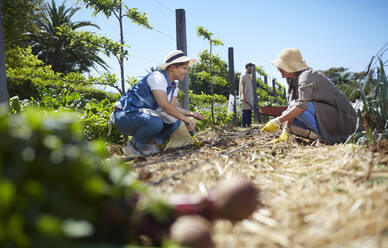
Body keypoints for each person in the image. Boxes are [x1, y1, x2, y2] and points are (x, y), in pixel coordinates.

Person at [112, 50, 204, 156]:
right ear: (172, 68)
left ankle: (150, 146)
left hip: (141, 116)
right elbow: (165, 106)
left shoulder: (173, 86)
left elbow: (172, 107)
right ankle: (132, 147)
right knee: (156, 122)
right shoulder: (157, 78)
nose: (186, 72)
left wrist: (191, 114)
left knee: (175, 120)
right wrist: (186, 119)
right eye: (184, 68)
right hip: (124, 115)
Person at [261, 48, 358, 145]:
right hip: (328, 113)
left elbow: (301, 106)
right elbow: (292, 105)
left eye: (281, 66)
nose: (278, 69)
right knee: (286, 114)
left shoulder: (306, 76)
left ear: (290, 66)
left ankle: (324, 139)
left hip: (340, 115)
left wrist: (277, 121)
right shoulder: (294, 80)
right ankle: (324, 136)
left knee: (292, 111)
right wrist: (285, 131)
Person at [239, 63, 255, 128]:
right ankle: (243, 126)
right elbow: (242, 86)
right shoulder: (243, 75)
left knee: (249, 110)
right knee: (245, 111)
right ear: (248, 67)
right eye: (251, 69)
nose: (252, 70)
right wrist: (242, 95)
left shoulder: (248, 76)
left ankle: (248, 125)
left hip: (249, 96)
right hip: (245, 96)